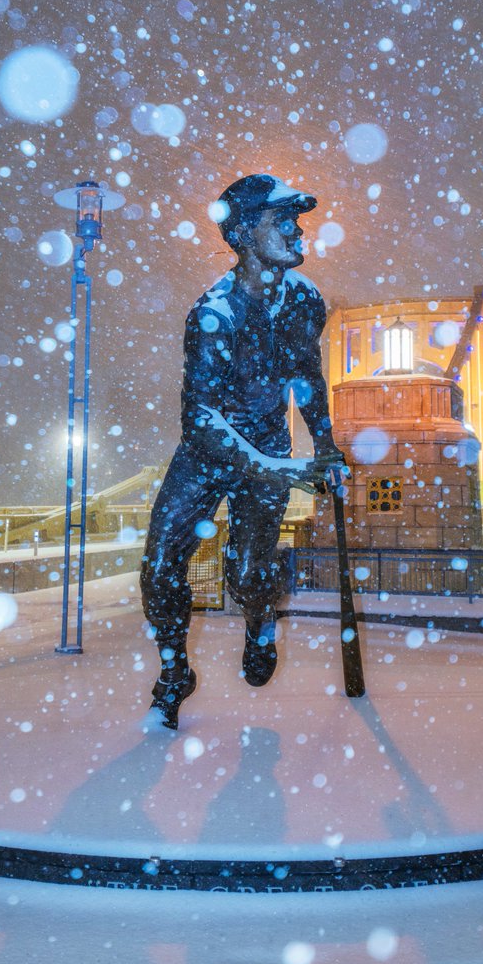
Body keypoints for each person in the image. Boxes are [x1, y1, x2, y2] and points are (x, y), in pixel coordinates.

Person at [140, 173, 345, 728]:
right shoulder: (215, 313)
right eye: (281, 220)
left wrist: (325, 449)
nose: (297, 229)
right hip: (208, 455)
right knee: (159, 566)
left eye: (296, 220)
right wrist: (281, 468)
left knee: (248, 575)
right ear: (244, 234)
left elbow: (306, 378)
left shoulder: (304, 301)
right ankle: (174, 670)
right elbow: (201, 418)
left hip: (268, 454)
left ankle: (259, 619)